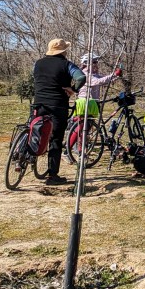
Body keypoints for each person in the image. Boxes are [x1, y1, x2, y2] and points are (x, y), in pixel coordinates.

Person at [32, 39, 86, 186]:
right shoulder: (67, 65)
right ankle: (52, 175)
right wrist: (73, 89)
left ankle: (23, 156)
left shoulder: (38, 63)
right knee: (55, 138)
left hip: (39, 103)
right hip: (58, 105)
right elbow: (81, 77)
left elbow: (34, 76)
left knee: (34, 130)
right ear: (63, 51)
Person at [76, 53, 122, 120]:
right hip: (85, 102)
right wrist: (114, 74)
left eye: (96, 62)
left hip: (92, 102)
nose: (96, 64)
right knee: (83, 123)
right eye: (94, 62)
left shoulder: (93, 74)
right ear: (87, 63)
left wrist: (117, 76)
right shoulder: (85, 74)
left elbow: (104, 80)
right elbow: (98, 81)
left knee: (90, 123)